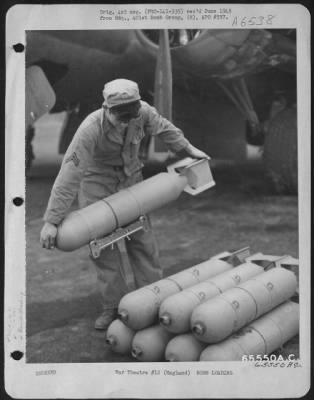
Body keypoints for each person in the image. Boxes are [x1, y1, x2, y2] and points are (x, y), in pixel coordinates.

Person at [40, 79, 209, 330]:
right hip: (97, 185)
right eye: (120, 116)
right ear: (107, 108)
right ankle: (113, 307)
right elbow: (70, 174)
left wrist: (188, 148)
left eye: (131, 115)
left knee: (142, 241)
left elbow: (164, 128)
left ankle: (154, 297)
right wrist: (52, 221)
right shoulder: (89, 129)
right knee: (103, 250)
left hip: (131, 180)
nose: (127, 122)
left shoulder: (142, 113)